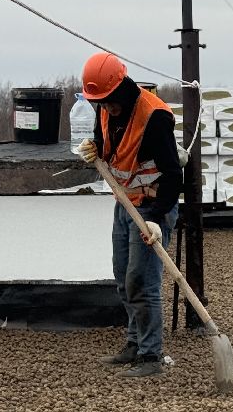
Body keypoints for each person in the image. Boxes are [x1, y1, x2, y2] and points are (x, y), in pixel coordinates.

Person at [75, 51, 182, 378]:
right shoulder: (105, 110)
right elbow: (108, 148)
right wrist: (94, 149)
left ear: (121, 88)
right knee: (123, 277)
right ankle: (135, 343)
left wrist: (157, 218)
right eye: (100, 103)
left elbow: (173, 176)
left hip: (152, 207)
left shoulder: (154, 117)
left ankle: (151, 356)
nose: (106, 107)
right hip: (124, 202)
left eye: (109, 101)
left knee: (142, 281)